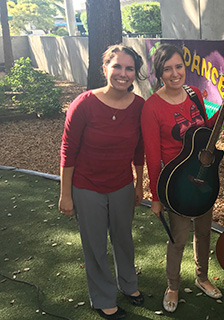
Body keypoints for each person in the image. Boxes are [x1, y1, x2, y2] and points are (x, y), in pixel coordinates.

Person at [141, 44, 224, 313]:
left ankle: (202, 277)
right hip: (177, 184)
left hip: (203, 176)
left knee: (204, 232)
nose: (174, 73)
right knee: (178, 239)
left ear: (185, 68)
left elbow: (205, 133)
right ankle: (173, 285)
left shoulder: (193, 94)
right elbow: (152, 155)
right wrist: (156, 198)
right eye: (167, 69)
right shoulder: (152, 108)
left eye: (179, 67)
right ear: (159, 73)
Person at [58, 45, 146, 320]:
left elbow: (139, 151)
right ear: (105, 68)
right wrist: (66, 194)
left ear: (135, 73)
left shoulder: (139, 106)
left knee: (124, 240)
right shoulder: (84, 103)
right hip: (86, 187)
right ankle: (103, 298)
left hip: (121, 185)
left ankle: (129, 285)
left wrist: (139, 184)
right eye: (117, 66)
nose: (122, 73)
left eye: (129, 68)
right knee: (95, 245)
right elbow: (68, 150)